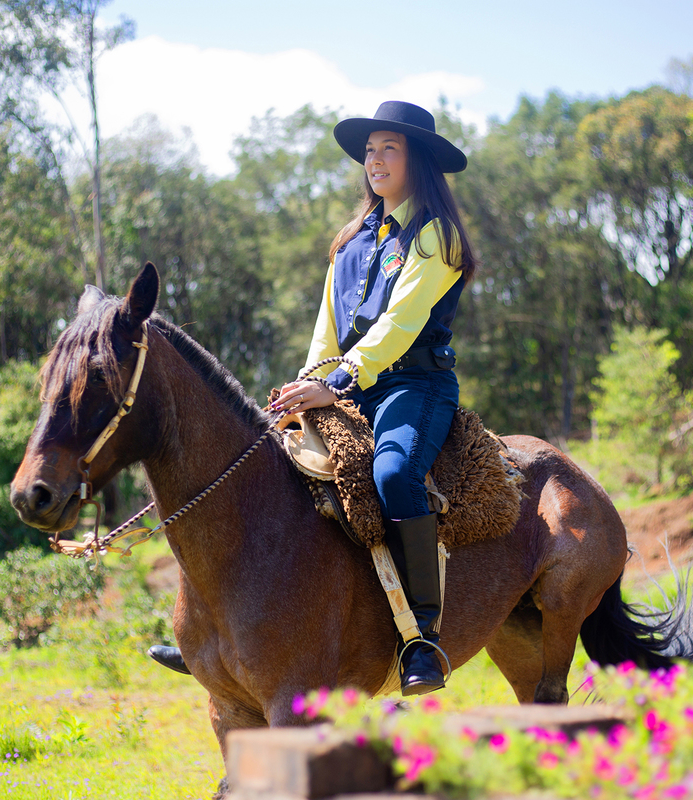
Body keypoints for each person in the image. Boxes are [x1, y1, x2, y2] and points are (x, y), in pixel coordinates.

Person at [151, 101, 477, 696]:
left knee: (396, 472)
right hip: (344, 382)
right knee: (254, 467)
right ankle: (218, 633)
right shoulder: (350, 242)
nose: (375, 161)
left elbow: (398, 326)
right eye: (370, 151)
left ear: (419, 160)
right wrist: (305, 386)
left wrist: (337, 383)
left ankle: (421, 638)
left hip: (413, 385)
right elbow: (327, 327)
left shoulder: (439, 237)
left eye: (390, 150)